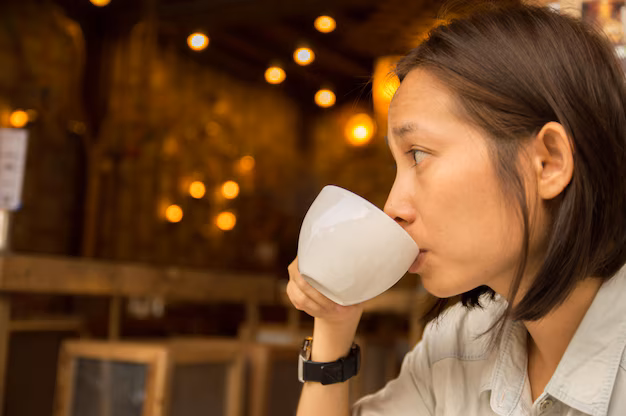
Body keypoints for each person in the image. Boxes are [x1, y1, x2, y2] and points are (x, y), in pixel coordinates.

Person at [286, 2, 626, 415]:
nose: (393, 207)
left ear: (547, 163)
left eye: (419, 155)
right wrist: (333, 325)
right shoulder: (457, 344)